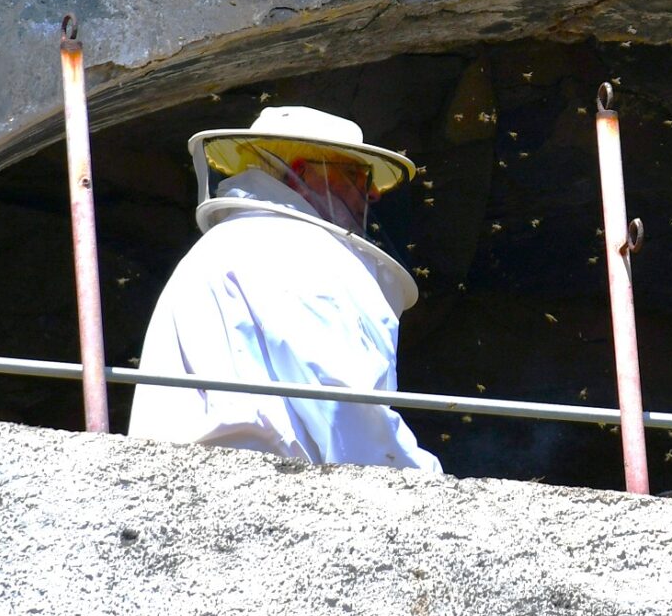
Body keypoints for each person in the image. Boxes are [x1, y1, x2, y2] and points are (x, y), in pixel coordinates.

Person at [129, 105, 442, 472]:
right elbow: (338, 397)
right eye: (357, 174)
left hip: (192, 480)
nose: (371, 193)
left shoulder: (234, 242)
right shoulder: (292, 245)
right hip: (256, 487)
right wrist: (420, 481)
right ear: (302, 173)